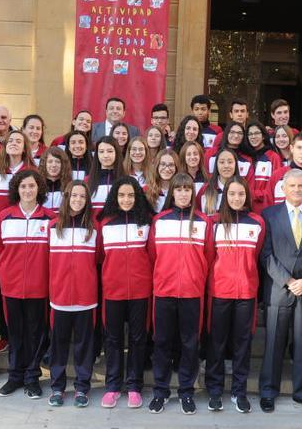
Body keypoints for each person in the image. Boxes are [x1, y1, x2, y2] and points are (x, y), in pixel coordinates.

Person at [258, 169, 302, 414]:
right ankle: (268, 391)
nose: (297, 190)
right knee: (273, 343)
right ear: (283, 188)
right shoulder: (269, 215)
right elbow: (265, 254)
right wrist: (288, 281)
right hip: (279, 289)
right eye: (293, 186)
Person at [147, 173, 215, 415]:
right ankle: (161, 391)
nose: (184, 193)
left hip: (191, 293)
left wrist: (194, 278)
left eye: (188, 189)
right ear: (172, 193)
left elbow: (208, 257)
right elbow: (153, 255)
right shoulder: (160, 220)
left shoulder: (203, 222)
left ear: (193, 193)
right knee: (162, 343)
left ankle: (186, 391)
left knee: (189, 344)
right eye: (179, 189)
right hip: (164, 291)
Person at [0, 169, 56, 399]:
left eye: (32, 186)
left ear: (39, 188)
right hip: (11, 286)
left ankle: (32, 377)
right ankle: (15, 376)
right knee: (15, 333)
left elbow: (52, 254)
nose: (28, 190)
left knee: (36, 333)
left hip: (39, 287)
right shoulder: (5, 217)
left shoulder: (50, 219)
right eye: (23, 186)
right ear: (16, 190)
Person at [205, 177, 264, 413]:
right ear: (225, 197)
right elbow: (210, 256)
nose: (237, 198)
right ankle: (215, 390)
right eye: (232, 194)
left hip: (247, 292)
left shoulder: (257, 222)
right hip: (220, 291)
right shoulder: (214, 223)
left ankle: (239, 391)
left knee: (242, 343)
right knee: (217, 343)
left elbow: (257, 254)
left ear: (246, 196)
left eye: (241, 194)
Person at [98, 177, 156, 409]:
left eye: (131, 195)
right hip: (113, 290)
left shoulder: (147, 221)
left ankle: (134, 385)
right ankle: (112, 386)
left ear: (138, 197)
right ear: (115, 196)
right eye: (122, 195)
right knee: (112, 339)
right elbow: (100, 256)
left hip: (140, 290)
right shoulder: (105, 222)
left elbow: (152, 255)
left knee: (138, 338)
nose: (126, 199)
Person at [47, 181, 100, 408]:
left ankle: (81, 387)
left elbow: (99, 260)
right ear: (67, 197)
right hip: (59, 298)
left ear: (87, 200)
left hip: (85, 298)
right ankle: (58, 387)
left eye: (82, 196)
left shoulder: (93, 228)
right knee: (58, 345)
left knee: (83, 346)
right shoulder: (52, 226)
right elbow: (45, 261)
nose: (77, 200)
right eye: (74, 195)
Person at [0, 131, 36, 215]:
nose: (14, 143)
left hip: (21, 222)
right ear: (5, 146)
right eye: (10, 141)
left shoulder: (32, 172)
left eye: (18, 141)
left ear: (24, 149)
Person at [246, 121, 282, 213]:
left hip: (265, 209)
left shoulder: (273, 157)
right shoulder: (245, 157)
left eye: (257, 133)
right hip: (246, 208)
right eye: (250, 134)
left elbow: (276, 185)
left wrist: (253, 194)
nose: (253, 137)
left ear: (263, 136)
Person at [87, 136, 124, 213]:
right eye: (101, 151)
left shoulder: (127, 180)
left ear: (117, 153)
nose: (105, 155)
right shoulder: (87, 181)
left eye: (110, 151)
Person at [199, 149, 240, 216]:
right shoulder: (205, 189)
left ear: (236, 164)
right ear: (216, 165)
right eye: (222, 162)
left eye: (230, 162)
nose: (226, 166)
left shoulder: (242, 189)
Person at [40, 147, 72, 213]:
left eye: (57, 162)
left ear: (63, 165)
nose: (54, 165)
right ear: (44, 164)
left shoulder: (70, 186)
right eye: (50, 161)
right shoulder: (37, 186)